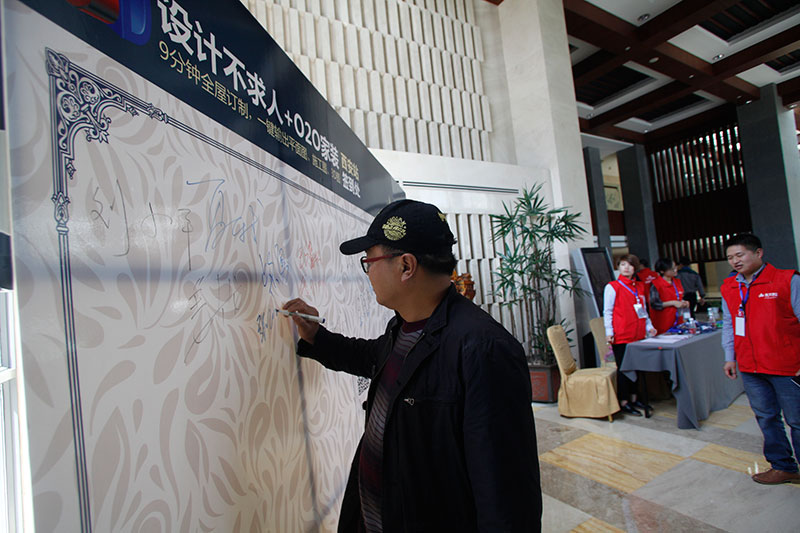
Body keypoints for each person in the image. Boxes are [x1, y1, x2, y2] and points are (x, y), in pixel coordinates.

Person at [282, 199, 543, 532]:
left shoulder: (484, 349)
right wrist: (317, 336)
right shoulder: (404, 326)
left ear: (406, 266)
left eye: (369, 261)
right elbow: (371, 357)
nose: (368, 272)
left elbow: (507, 499)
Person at [721, 233, 800, 485]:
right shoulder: (729, 287)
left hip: (787, 366)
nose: (735, 261)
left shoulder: (787, 280)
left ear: (758, 253)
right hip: (750, 366)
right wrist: (730, 357)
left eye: (740, 254)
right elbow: (729, 324)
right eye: (730, 257)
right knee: (766, 417)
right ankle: (783, 466)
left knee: (797, 420)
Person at [604, 254, 657, 417]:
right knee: (624, 369)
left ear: (635, 268)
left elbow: (643, 310)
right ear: (618, 267)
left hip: (638, 334)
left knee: (638, 368)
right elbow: (608, 311)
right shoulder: (613, 286)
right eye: (622, 265)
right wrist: (609, 332)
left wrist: (649, 326)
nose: (626, 268)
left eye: (630, 265)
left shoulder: (639, 287)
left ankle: (634, 398)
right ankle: (624, 401)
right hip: (622, 335)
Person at [649, 258, 690, 335]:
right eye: (672, 269)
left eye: (675, 267)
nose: (675, 270)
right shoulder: (656, 284)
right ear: (662, 271)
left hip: (679, 321)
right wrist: (673, 303)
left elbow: (679, 296)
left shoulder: (677, 282)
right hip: (664, 323)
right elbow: (654, 304)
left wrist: (683, 302)